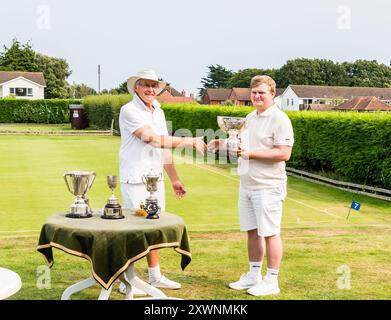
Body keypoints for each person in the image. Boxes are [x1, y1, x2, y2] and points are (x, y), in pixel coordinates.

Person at [118, 69, 206, 293]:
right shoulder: (129, 110)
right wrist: (190, 140)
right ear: (135, 87)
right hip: (136, 179)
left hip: (154, 180)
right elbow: (153, 140)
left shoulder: (158, 110)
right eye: (145, 85)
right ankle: (125, 281)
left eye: (153, 85)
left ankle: (155, 276)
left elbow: (163, 147)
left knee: (154, 229)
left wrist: (174, 179)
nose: (150, 89)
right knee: (136, 231)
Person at [208, 75, 294, 296]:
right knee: (252, 232)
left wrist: (250, 154)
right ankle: (253, 275)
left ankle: (272, 281)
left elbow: (283, 154)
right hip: (246, 184)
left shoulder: (280, 119)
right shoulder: (249, 117)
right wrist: (222, 143)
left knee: (270, 233)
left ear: (272, 94)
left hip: (269, 186)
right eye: (254, 92)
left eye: (262, 93)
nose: (257, 96)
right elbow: (241, 145)